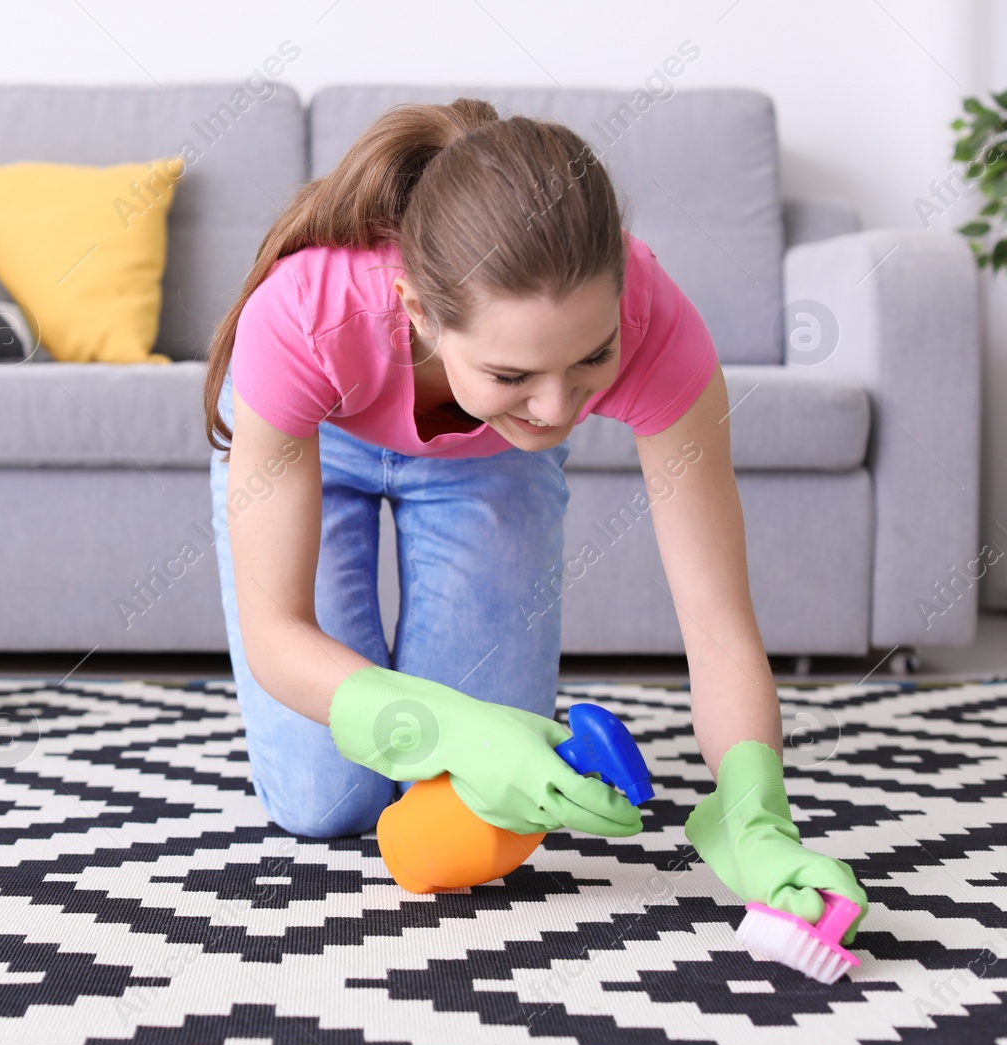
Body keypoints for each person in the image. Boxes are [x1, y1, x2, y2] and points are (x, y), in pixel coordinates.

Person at [201, 98, 868, 945]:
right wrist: (451, 726)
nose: (558, 410)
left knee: (493, 803)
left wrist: (756, 811)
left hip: (488, 459)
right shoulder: (304, 317)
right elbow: (275, 633)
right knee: (327, 801)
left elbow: (720, 625)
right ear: (416, 310)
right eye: (513, 370)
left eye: (591, 358)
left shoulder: (657, 335)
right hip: (318, 442)